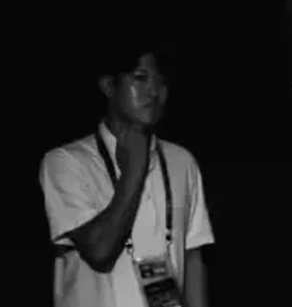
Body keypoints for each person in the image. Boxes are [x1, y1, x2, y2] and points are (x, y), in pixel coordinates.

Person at [40, 34, 213, 307]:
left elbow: (192, 255)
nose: (154, 92)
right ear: (108, 85)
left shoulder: (182, 161)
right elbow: (100, 251)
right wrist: (134, 170)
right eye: (141, 78)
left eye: (161, 82)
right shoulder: (66, 162)